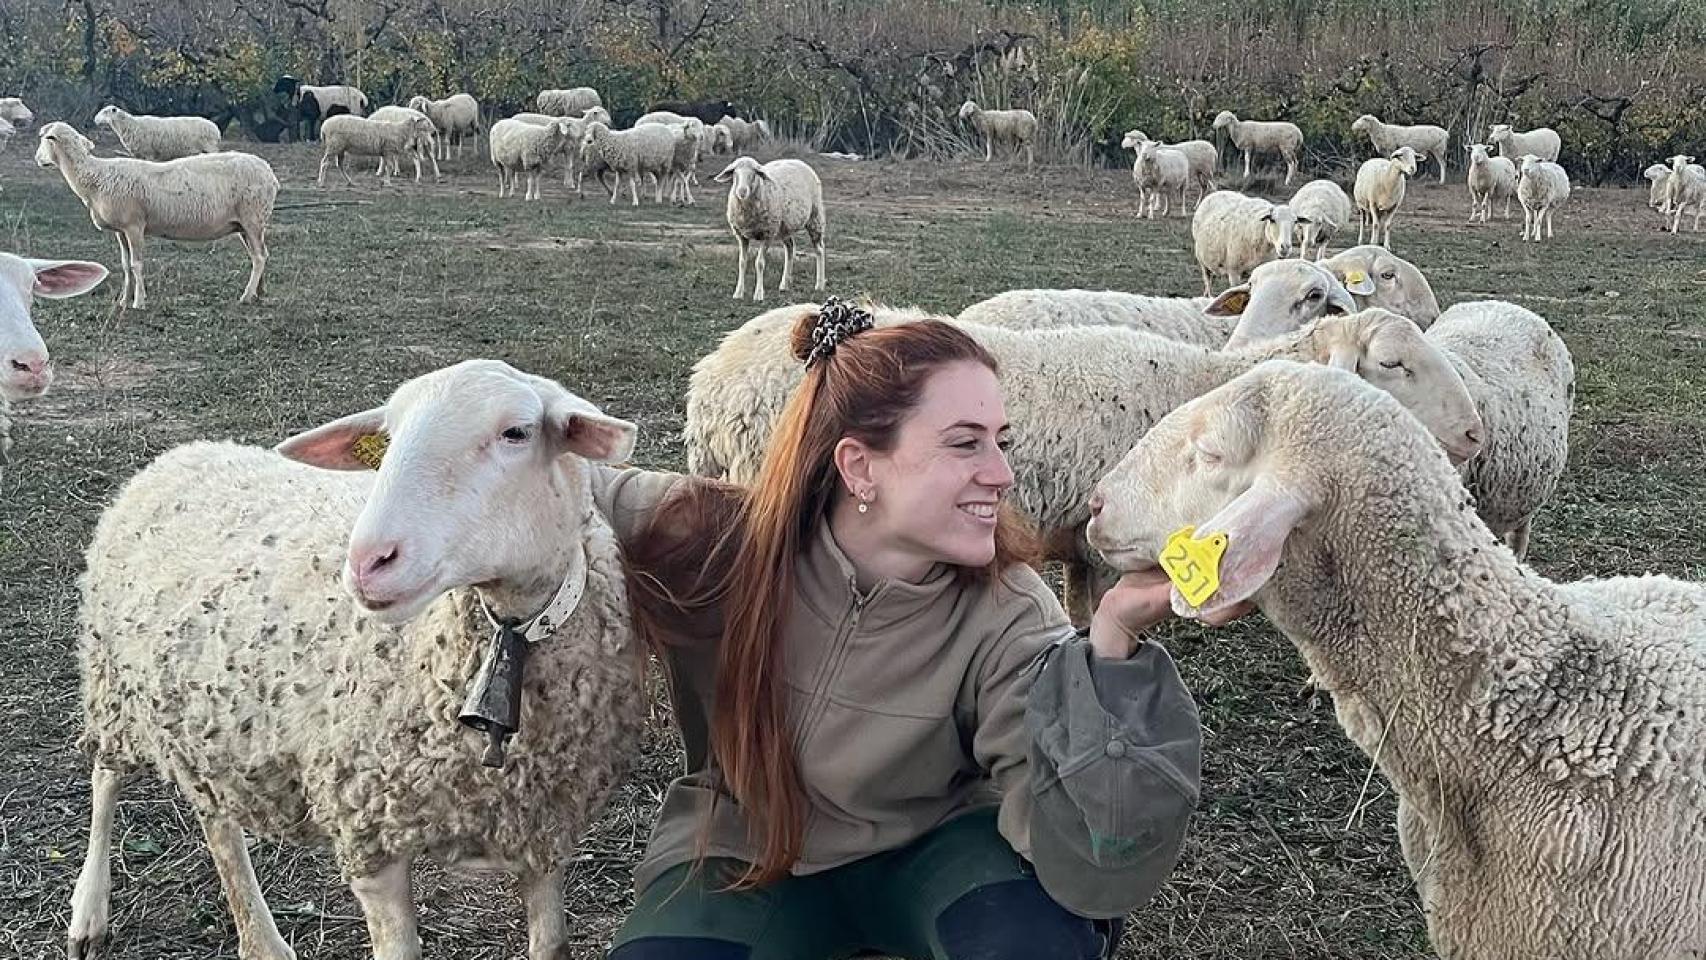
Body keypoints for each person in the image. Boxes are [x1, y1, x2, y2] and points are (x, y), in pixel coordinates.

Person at [595, 299, 1240, 960]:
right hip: (746, 846)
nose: (1002, 474)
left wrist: (1109, 648)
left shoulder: (1009, 609)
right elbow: (549, 479)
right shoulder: (718, 539)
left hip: (938, 849)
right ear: (858, 467)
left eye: (1001, 442)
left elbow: (1087, 853)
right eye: (965, 443)